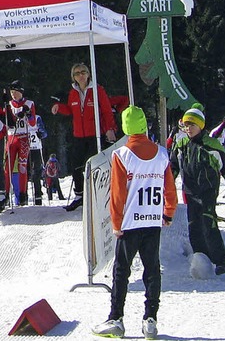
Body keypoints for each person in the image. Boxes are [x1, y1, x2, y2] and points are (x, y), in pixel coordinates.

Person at [92, 106, 177, 339]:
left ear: (125, 127)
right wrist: (168, 213)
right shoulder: (161, 153)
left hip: (130, 223)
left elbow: (117, 194)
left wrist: (116, 223)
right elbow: (170, 188)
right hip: (152, 220)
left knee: (121, 271)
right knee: (152, 269)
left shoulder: (121, 155)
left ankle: (116, 318)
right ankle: (151, 319)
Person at [170, 103, 225, 275]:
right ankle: (202, 259)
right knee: (194, 226)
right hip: (190, 191)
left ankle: (221, 261)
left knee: (208, 223)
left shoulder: (211, 145)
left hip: (208, 190)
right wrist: (168, 185)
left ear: (201, 125)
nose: (188, 128)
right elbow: (173, 167)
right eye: (185, 125)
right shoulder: (181, 144)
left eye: (192, 125)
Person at [51, 63, 117, 212]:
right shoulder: (73, 92)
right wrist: (59, 107)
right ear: (73, 77)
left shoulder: (97, 90)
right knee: (76, 166)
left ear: (88, 74)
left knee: (93, 165)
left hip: (95, 135)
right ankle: (79, 195)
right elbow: (71, 110)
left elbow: (107, 111)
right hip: (79, 135)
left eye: (83, 72)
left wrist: (110, 129)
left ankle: (97, 197)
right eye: (77, 73)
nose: (80, 76)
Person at [3, 80, 36, 207]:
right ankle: (5, 194)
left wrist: (28, 114)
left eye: (15, 92)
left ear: (21, 92)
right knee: (7, 168)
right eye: (12, 92)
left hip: (23, 138)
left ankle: (23, 195)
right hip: (11, 138)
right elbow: (4, 121)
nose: (13, 95)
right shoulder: (9, 104)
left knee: (22, 167)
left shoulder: (29, 103)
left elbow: (32, 123)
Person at [28, 114, 48, 205]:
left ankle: (38, 196)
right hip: (24, 149)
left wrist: (41, 134)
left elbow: (44, 132)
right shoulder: (20, 117)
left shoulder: (37, 118)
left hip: (36, 148)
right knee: (24, 172)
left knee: (36, 172)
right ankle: (22, 197)